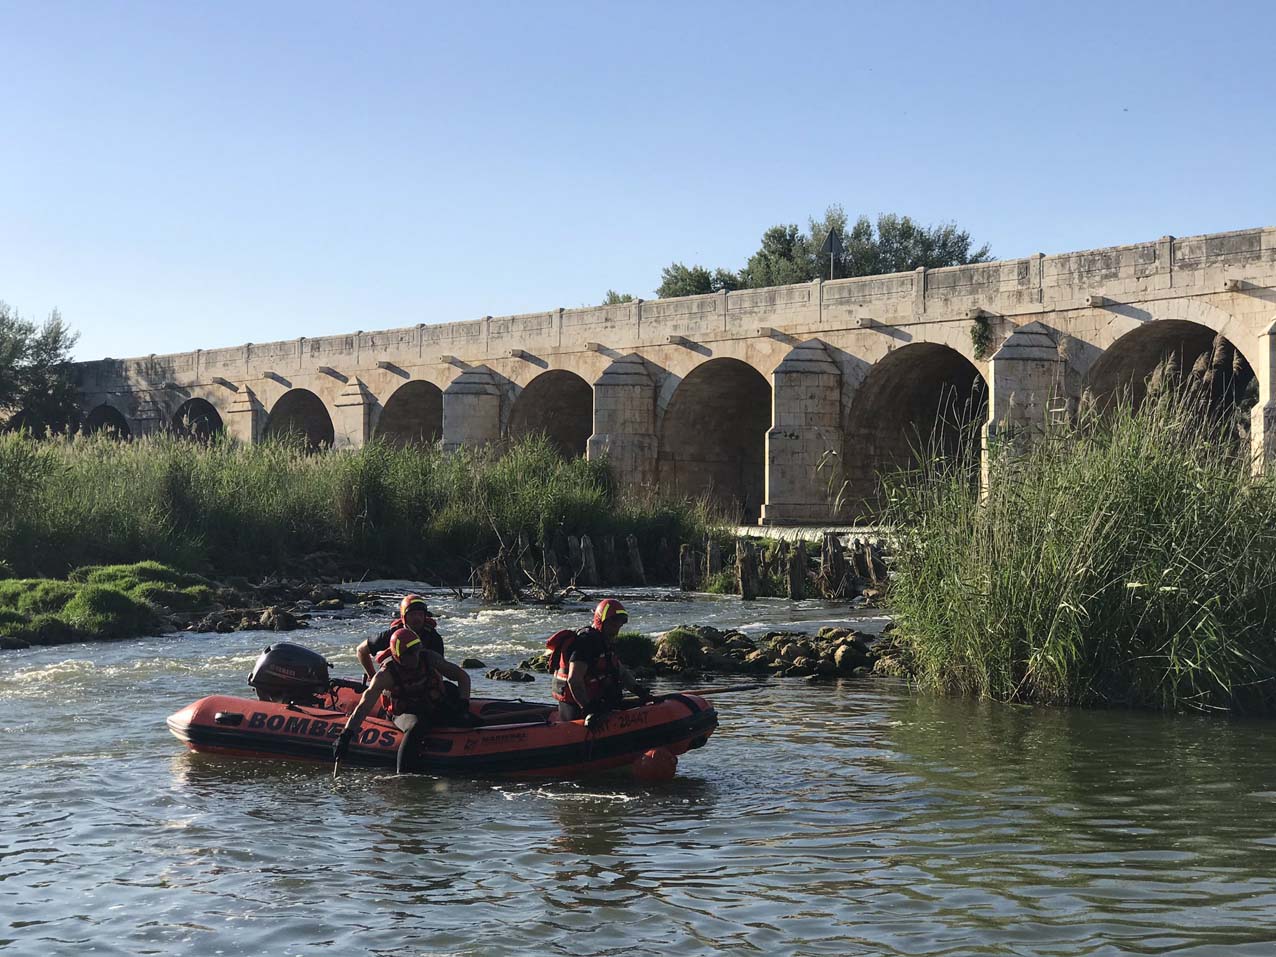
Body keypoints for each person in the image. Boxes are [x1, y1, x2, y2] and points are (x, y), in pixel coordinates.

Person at [334, 624, 472, 774]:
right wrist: (345, 736)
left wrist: (463, 705)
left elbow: (462, 677)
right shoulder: (385, 676)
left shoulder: (429, 658)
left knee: (460, 712)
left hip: (430, 703)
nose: (415, 657)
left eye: (417, 651)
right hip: (404, 712)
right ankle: (404, 774)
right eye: (410, 653)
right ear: (398, 655)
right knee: (417, 725)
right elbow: (364, 707)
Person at [549, 598, 653, 724]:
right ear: (601, 621)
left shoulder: (604, 643)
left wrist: (640, 691)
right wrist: (588, 709)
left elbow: (622, 673)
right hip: (576, 708)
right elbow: (574, 680)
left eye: (619, 626)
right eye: (613, 625)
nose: (616, 630)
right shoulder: (585, 643)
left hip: (599, 703)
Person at [356, 594, 444, 680]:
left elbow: (439, 671)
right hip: (396, 684)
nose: (417, 618)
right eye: (412, 615)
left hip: (423, 684)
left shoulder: (433, 637)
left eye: (420, 614)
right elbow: (361, 650)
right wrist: (372, 676)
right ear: (403, 618)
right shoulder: (392, 635)